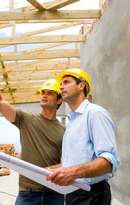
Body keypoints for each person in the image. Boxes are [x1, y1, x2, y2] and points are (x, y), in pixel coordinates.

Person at [0, 48, 65, 205]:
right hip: (28, 194)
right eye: (43, 92)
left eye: (50, 93)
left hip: (55, 194)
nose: (44, 95)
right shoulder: (26, 120)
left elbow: (71, 161)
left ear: (59, 100)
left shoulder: (65, 131)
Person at [46, 68, 120, 205]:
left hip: (91, 195)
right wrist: (57, 170)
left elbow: (108, 161)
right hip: (74, 194)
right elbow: (79, 160)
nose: (61, 86)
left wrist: (73, 172)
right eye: (60, 84)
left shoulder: (95, 114)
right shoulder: (73, 120)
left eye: (66, 82)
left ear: (81, 86)